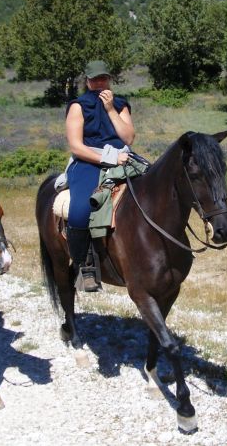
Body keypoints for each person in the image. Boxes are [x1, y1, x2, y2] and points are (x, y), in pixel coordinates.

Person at [65, 60, 135, 292]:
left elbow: (128, 138)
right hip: (89, 161)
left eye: (103, 78)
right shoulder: (78, 106)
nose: (99, 83)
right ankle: (85, 266)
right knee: (80, 211)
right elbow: (76, 147)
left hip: (123, 157)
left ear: (109, 79)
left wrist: (111, 110)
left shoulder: (121, 104)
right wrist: (109, 159)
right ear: (87, 81)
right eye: (94, 79)